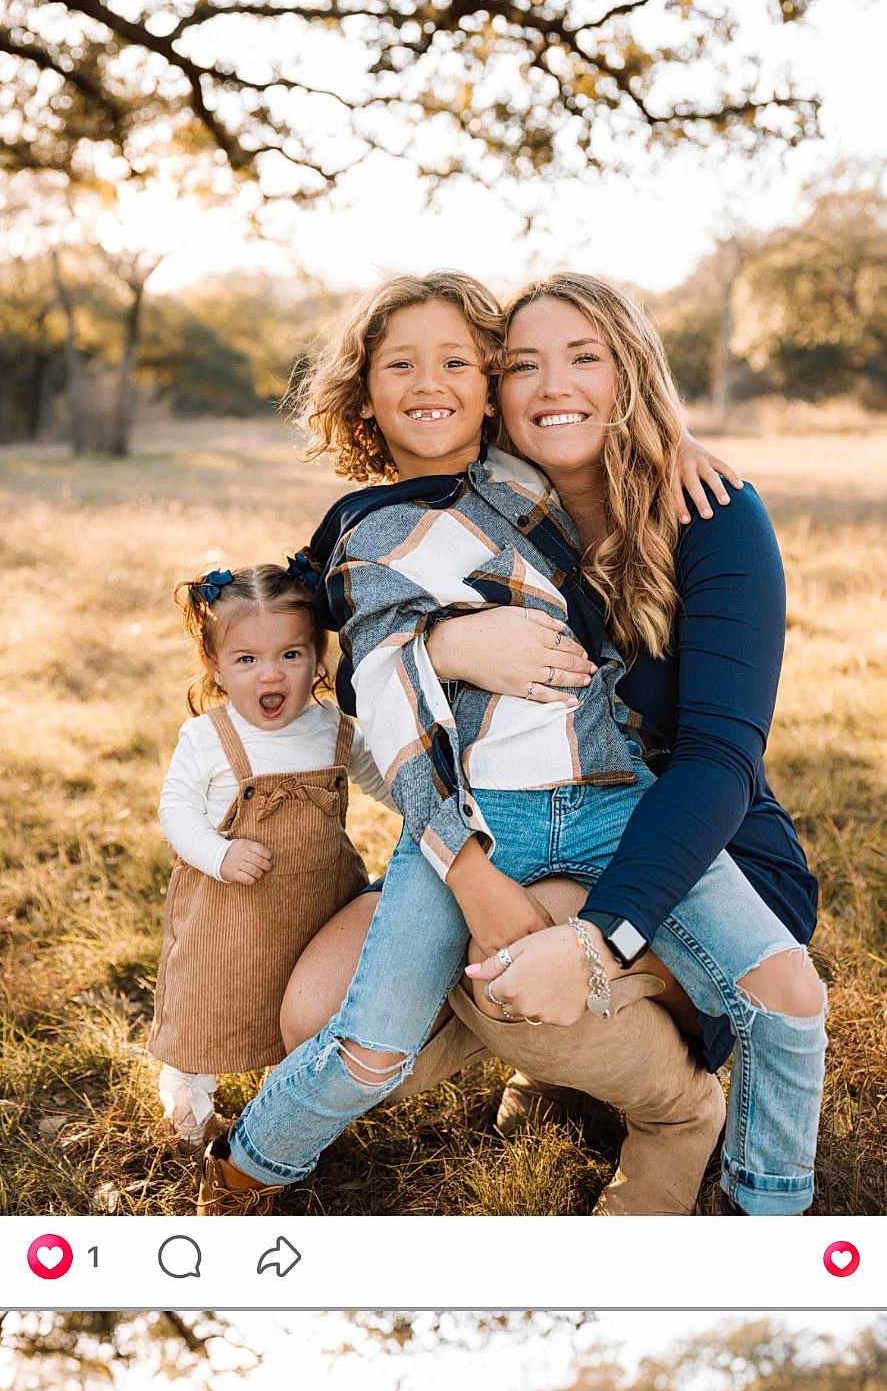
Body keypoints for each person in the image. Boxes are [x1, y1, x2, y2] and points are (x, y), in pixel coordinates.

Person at [197, 272, 824, 1217]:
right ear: (498, 392)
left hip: (683, 830)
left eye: (586, 360)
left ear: (633, 375)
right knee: (325, 1018)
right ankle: (276, 1152)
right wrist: (438, 645)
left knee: (525, 963)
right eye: (522, 364)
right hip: (495, 818)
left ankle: (674, 1115)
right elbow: (331, 623)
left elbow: (717, 762)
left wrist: (593, 941)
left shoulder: (710, 507)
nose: (552, 386)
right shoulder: (470, 502)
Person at [150, 560, 392, 1146]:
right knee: (211, 1004)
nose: (271, 675)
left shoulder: (334, 728)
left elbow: (382, 783)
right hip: (229, 913)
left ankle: (294, 1105)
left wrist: (425, 807)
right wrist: (217, 854)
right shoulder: (209, 738)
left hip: (317, 904)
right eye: (246, 659)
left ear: (318, 657)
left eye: (291, 654)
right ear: (216, 667)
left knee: (297, 1000)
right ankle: (189, 1102)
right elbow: (176, 811)